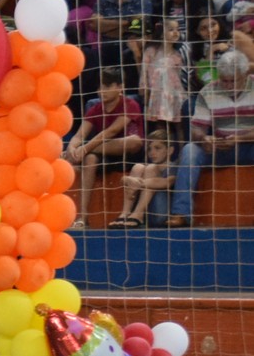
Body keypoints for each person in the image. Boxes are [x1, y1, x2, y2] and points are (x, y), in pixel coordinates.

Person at [170, 47, 254, 227]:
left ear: (245, 74)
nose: (228, 86)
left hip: (250, 146)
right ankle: (181, 213)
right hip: (221, 148)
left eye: (234, 81)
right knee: (190, 150)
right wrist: (204, 139)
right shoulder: (208, 91)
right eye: (224, 81)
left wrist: (240, 138)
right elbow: (196, 129)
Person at [65, 67, 145, 226]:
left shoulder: (130, 104)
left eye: (107, 86)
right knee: (90, 159)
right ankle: (82, 217)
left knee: (134, 140)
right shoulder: (95, 109)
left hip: (127, 152)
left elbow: (112, 131)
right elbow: (79, 135)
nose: (102, 91)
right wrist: (72, 148)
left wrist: (85, 147)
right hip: (104, 153)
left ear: (120, 87)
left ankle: (85, 151)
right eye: (100, 87)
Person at [111, 127, 178, 228]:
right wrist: (126, 179)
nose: (152, 152)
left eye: (157, 148)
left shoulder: (173, 166)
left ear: (170, 150)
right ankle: (126, 213)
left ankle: (138, 214)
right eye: (149, 149)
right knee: (138, 167)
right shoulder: (147, 168)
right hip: (147, 211)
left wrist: (136, 183)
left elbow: (167, 182)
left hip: (161, 213)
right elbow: (125, 179)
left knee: (150, 168)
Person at [140, 15, 192, 143]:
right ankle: (162, 154)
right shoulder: (151, 52)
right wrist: (144, 90)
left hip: (175, 95)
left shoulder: (178, 55)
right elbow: (144, 72)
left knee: (179, 126)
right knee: (160, 127)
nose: (175, 32)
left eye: (177, 29)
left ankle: (180, 155)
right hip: (158, 95)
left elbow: (182, 76)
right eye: (171, 29)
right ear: (162, 33)